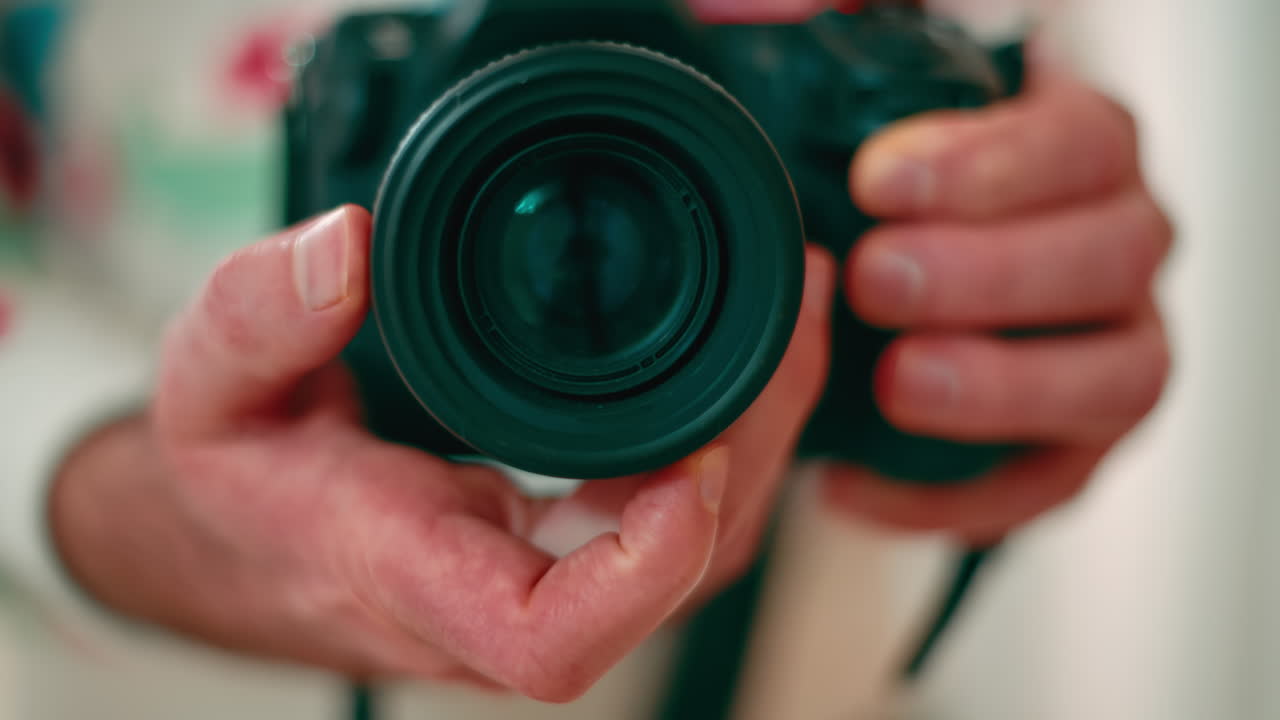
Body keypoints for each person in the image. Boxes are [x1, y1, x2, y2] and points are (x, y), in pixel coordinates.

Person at [0, 0, 1173, 717]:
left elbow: (1021, 90)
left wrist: (1029, 246)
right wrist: (120, 490)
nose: (579, 260)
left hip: (805, 675)